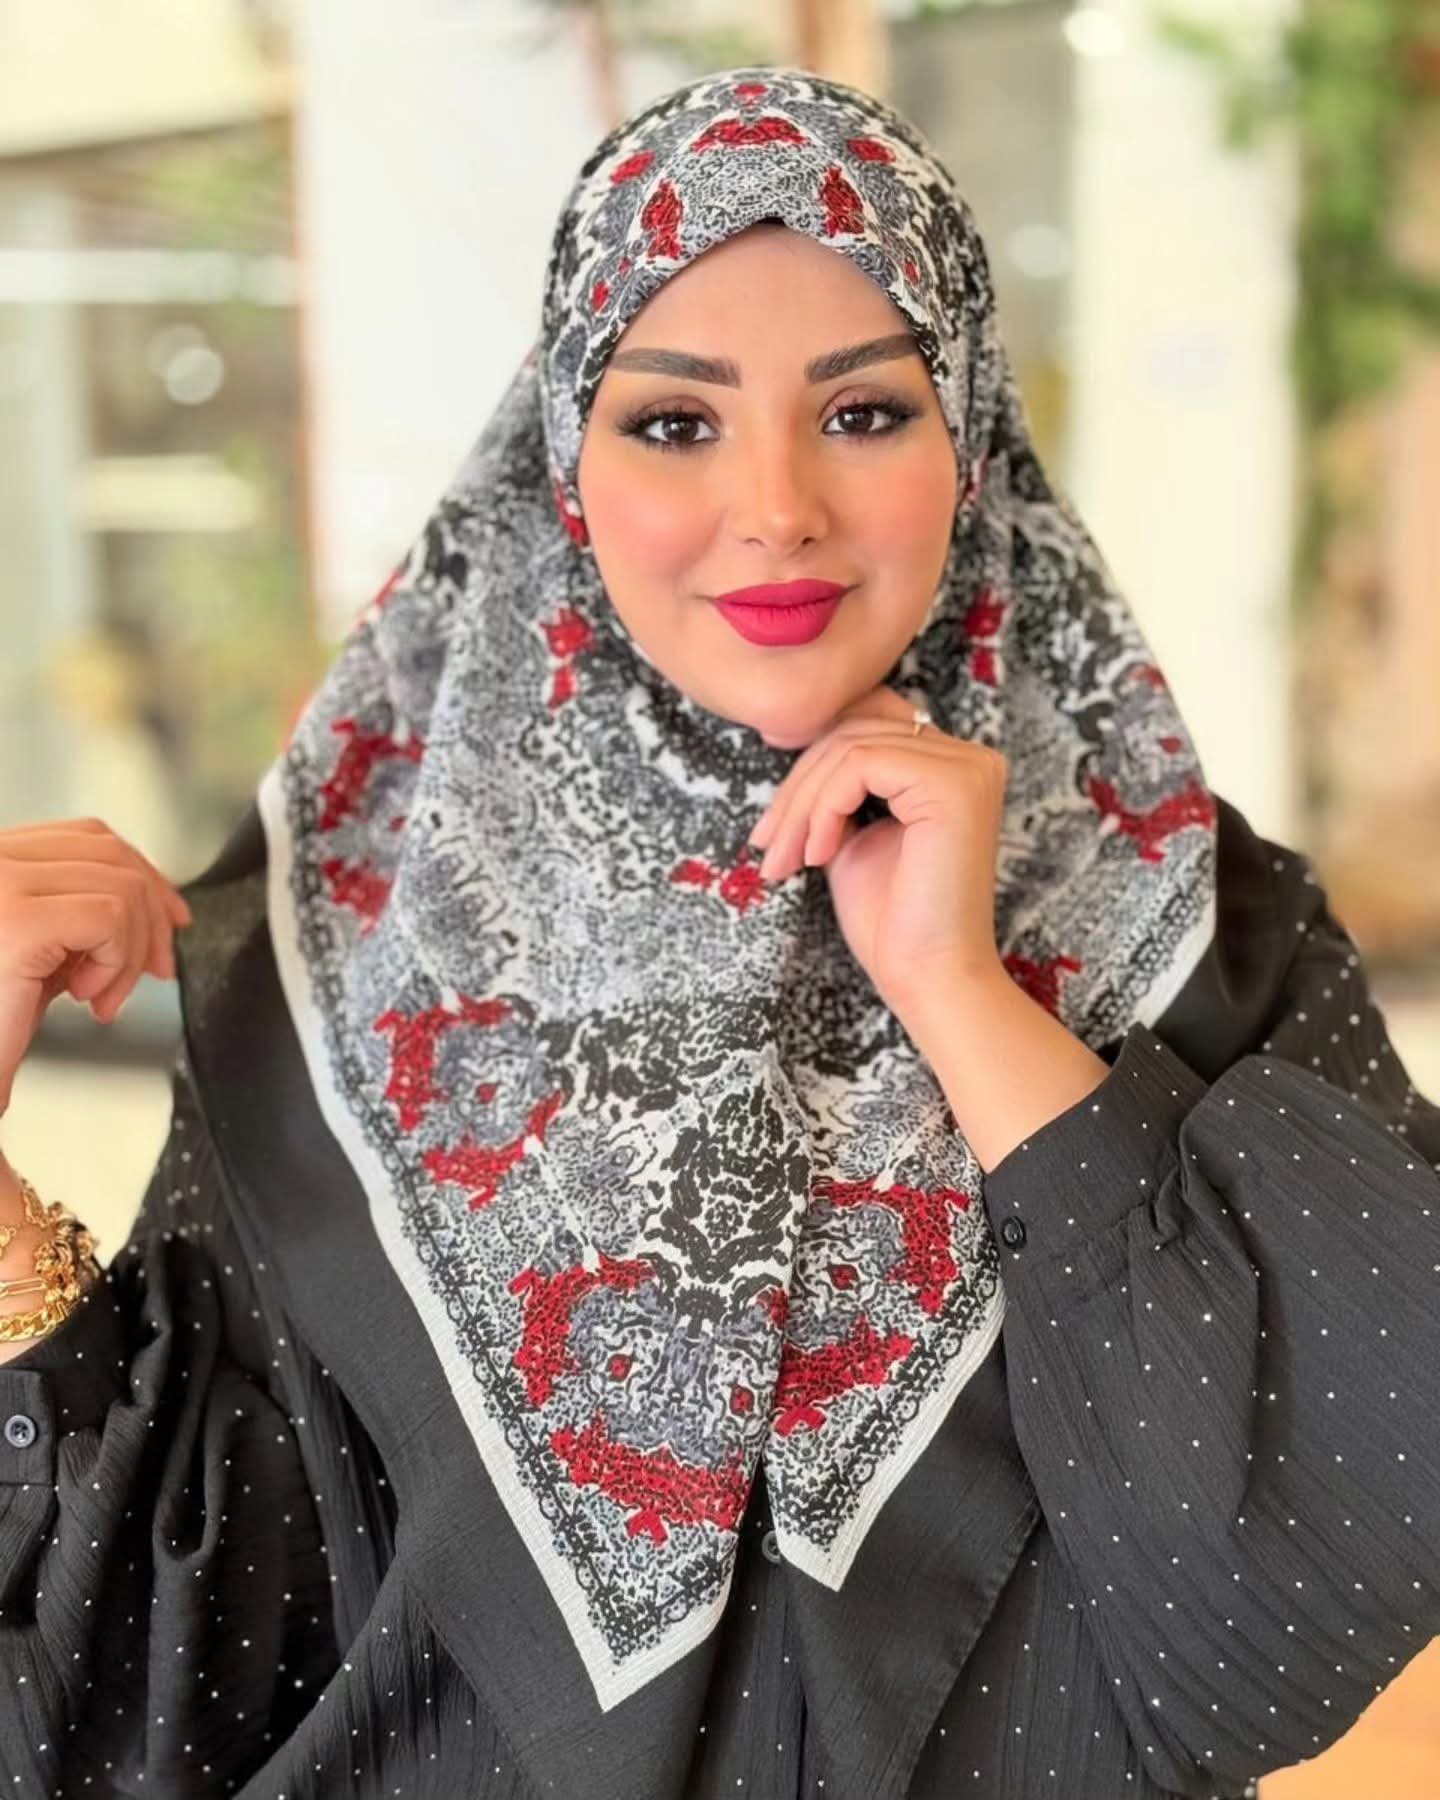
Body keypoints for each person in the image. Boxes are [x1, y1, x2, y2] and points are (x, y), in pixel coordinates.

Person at [0, 63, 1436, 1800]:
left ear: (970, 437)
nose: (777, 508)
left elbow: (1296, 1591)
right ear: (564, 466)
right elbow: (167, 1657)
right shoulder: (347, 956)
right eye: (675, 422)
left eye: (866, 411)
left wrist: (965, 995)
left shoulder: (1201, 915)